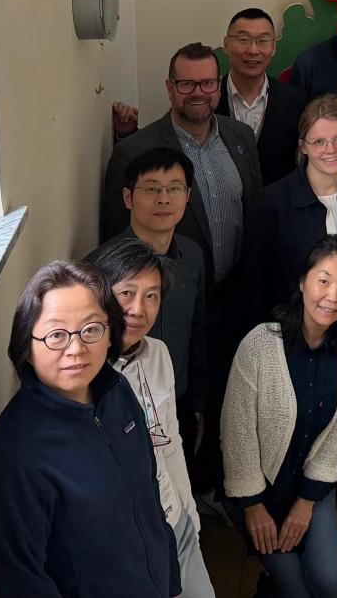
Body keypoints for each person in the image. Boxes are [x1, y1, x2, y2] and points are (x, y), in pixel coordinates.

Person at [0, 261, 181, 597]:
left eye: (91, 329)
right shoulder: (15, 458)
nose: (76, 349)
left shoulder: (117, 392)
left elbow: (148, 493)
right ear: (27, 345)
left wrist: (170, 582)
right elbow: (23, 582)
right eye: (56, 335)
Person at [221, 237, 337, 598]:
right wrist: (253, 506)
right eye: (323, 281)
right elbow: (236, 432)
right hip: (260, 489)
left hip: (311, 484)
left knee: (333, 582)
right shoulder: (260, 344)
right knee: (296, 590)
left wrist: (307, 503)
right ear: (302, 281)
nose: (332, 296)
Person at [90, 239, 216, 598]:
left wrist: (190, 517)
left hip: (176, 522)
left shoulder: (158, 354)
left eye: (152, 296)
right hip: (132, 547)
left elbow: (170, 442)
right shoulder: (85, 377)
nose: (137, 309)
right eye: (126, 293)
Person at [101, 43, 263, 287]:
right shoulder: (134, 151)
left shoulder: (242, 136)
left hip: (236, 294)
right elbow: (116, 240)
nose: (199, 92)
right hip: (171, 295)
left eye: (207, 83)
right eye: (186, 84)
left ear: (219, 85)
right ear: (170, 87)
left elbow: (255, 211)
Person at [89, 148, 207, 464]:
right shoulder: (100, 267)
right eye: (152, 189)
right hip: (119, 406)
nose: (164, 199)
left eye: (174, 189)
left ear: (187, 196)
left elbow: (197, 331)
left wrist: (197, 402)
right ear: (128, 197)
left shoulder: (193, 256)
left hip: (176, 400)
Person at [252, 95, 337, 347]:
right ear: (303, 146)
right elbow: (258, 284)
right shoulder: (274, 201)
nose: (331, 149)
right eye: (319, 142)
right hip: (289, 339)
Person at [217, 7, 308, 185]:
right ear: (226, 44)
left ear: (273, 47)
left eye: (263, 41)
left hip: (279, 208)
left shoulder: (296, 102)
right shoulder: (208, 99)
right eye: (243, 40)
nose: (253, 50)